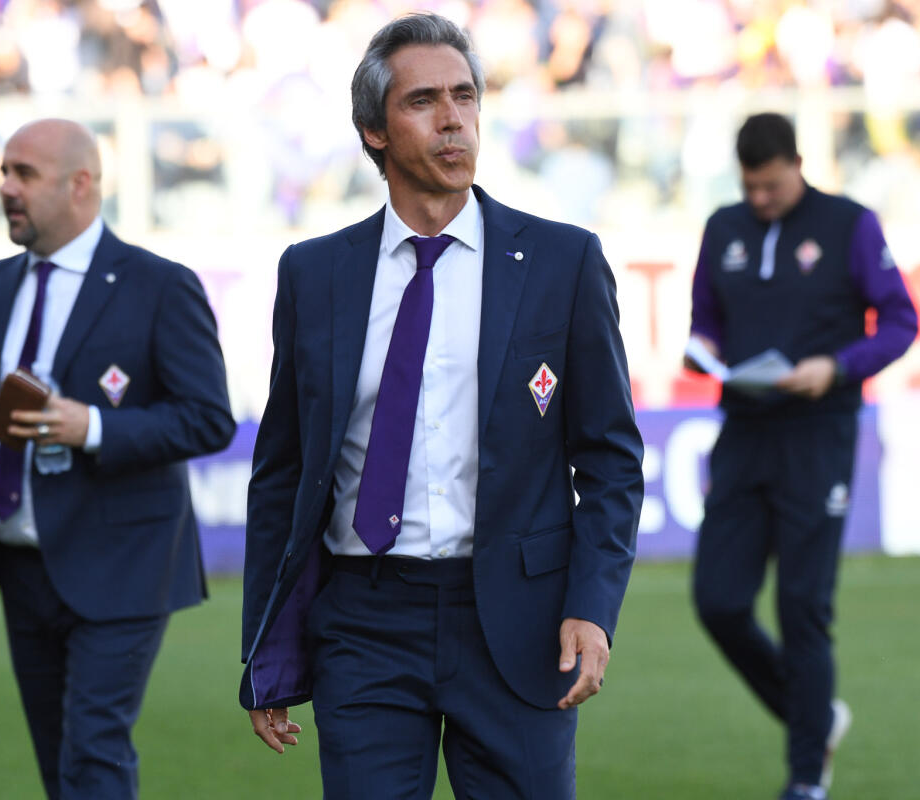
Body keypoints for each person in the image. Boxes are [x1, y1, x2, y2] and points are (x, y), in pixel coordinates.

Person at [239, 13, 643, 799]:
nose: (452, 118)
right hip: (364, 621)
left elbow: (610, 460)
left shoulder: (563, 262)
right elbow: (281, 473)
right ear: (374, 131)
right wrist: (266, 648)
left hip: (520, 620)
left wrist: (592, 607)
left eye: (464, 96)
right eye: (423, 101)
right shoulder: (314, 274)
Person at [0, 118, 235, 799]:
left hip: (123, 561)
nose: (6, 188)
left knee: (92, 753)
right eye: (4, 172)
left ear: (81, 185)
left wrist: (92, 427)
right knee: (60, 764)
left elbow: (208, 417)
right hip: (21, 567)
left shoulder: (160, 286)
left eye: (25, 173)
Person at [684, 112, 918, 800]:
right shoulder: (722, 227)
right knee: (718, 601)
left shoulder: (850, 224)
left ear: (797, 164)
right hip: (744, 430)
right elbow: (705, 319)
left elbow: (901, 321)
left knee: (802, 606)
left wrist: (836, 367)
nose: (760, 199)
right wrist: (704, 350)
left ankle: (807, 778)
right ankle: (815, 719)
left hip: (819, 432)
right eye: (749, 186)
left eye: (771, 185)